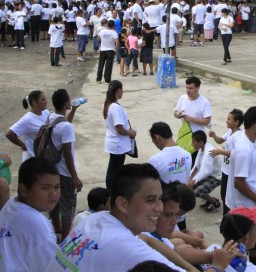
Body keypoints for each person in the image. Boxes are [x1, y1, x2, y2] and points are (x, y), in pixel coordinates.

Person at [47, 163, 233, 272]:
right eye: (150, 200)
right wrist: (217, 265)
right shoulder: (126, 247)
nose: (159, 208)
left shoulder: (98, 219)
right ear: (122, 204)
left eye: (159, 199)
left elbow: (146, 239)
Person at [0, 157, 60, 272]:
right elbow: (52, 267)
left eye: (57, 187)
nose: (53, 194)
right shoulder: (36, 223)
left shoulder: (13, 203)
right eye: (45, 188)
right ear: (23, 190)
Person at [48, 88, 83, 240]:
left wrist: (73, 110)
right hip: (64, 171)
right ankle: (66, 239)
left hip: (52, 168)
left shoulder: (50, 117)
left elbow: (63, 124)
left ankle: (57, 228)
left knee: (54, 201)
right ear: (65, 103)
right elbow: (68, 153)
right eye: (69, 100)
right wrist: (75, 177)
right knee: (68, 205)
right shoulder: (67, 128)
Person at [226, 106, 256, 211]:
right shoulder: (244, 150)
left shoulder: (251, 138)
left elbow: (250, 171)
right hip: (242, 207)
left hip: (248, 204)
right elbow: (239, 183)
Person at [209, 109, 244, 215]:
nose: (226, 121)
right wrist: (214, 136)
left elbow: (236, 153)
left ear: (236, 122)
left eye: (229, 119)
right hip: (225, 169)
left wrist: (220, 151)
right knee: (224, 194)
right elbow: (220, 140)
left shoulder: (239, 135)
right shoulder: (230, 132)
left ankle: (229, 217)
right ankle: (226, 216)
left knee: (229, 196)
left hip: (232, 171)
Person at [103, 80, 137, 189]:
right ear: (118, 90)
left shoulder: (109, 104)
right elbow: (119, 128)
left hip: (114, 142)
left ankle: (112, 189)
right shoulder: (115, 108)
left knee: (114, 168)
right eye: (122, 89)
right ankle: (112, 191)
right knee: (115, 170)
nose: (123, 92)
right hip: (118, 144)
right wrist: (130, 133)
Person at [5, 90, 50, 162]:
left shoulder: (46, 112)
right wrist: (23, 146)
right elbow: (9, 134)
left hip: (44, 156)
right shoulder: (27, 119)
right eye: (43, 100)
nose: (46, 102)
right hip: (32, 159)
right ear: (35, 102)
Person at [173, 76, 212, 155]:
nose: (188, 90)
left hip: (197, 141)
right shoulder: (183, 98)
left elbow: (207, 121)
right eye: (186, 88)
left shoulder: (204, 102)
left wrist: (191, 119)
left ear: (197, 88)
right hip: (184, 136)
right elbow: (175, 112)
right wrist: (177, 115)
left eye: (191, 88)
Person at [188, 130, 222, 212]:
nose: (192, 144)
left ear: (200, 142)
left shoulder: (208, 152)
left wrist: (193, 181)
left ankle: (215, 202)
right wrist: (190, 177)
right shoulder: (201, 148)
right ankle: (209, 200)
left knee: (197, 191)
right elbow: (197, 165)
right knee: (193, 185)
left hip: (217, 176)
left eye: (194, 142)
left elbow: (207, 171)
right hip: (210, 173)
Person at [96, 19, 119, 84]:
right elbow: (117, 42)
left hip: (103, 50)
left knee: (101, 64)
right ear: (113, 26)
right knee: (108, 66)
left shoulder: (102, 31)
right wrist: (116, 50)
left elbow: (98, 38)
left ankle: (98, 79)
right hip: (110, 50)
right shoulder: (114, 32)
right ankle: (107, 79)